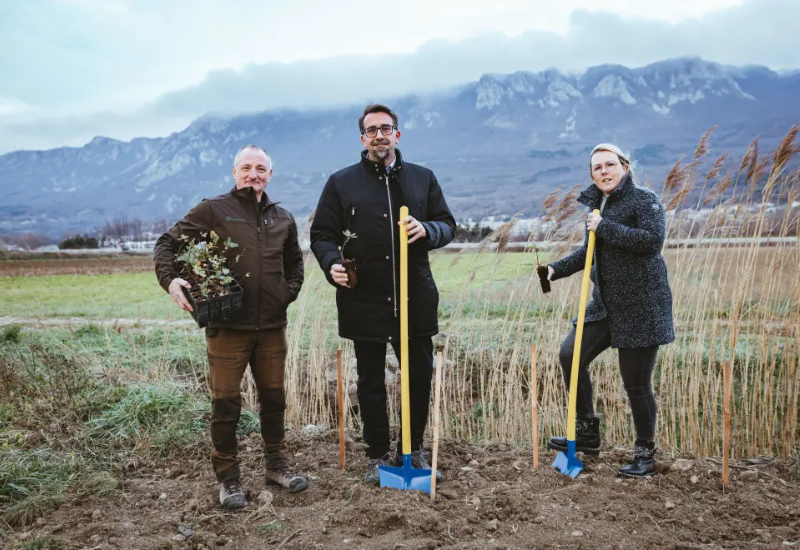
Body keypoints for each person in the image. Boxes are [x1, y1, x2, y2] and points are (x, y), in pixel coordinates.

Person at [153, 145, 308, 509]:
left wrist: (287, 293)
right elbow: (167, 244)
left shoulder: (282, 217)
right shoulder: (214, 209)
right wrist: (171, 281)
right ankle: (229, 479)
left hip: (271, 327)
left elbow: (295, 263)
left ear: (271, 174)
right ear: (234, 172)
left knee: (274, 400)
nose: (253, 174)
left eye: (261, 168)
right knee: (226, 405)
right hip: (226, 326)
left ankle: (277, 466)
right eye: (246, 168)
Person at [310, 103, 456, 485]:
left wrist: (428, 230)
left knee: (419, 376)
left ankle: (413, 448)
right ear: (363, 138)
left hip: (415, 298)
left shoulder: (423, 178)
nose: (379, 135)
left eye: (386, 128)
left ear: (397, 134)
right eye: (372, 129)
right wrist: (331, 264)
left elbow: (447, 224)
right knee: (371, 382)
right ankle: (376, 454)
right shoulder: (341, 183)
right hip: (364, 299)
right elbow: (322, 234)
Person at [544, 143, 674, 478]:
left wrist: (603, 227)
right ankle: (586, 432)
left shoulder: (644, 200)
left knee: (636, 384)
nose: (604, 171)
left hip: (642, 307)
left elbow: (651, 240)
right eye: (597, 167)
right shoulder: (598, 207)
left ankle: (644, 454)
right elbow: (589, 253)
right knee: (570, 354)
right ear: (592, 174)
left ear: (624, 167)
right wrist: (554, 270)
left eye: (610, 164)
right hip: (605, 307)